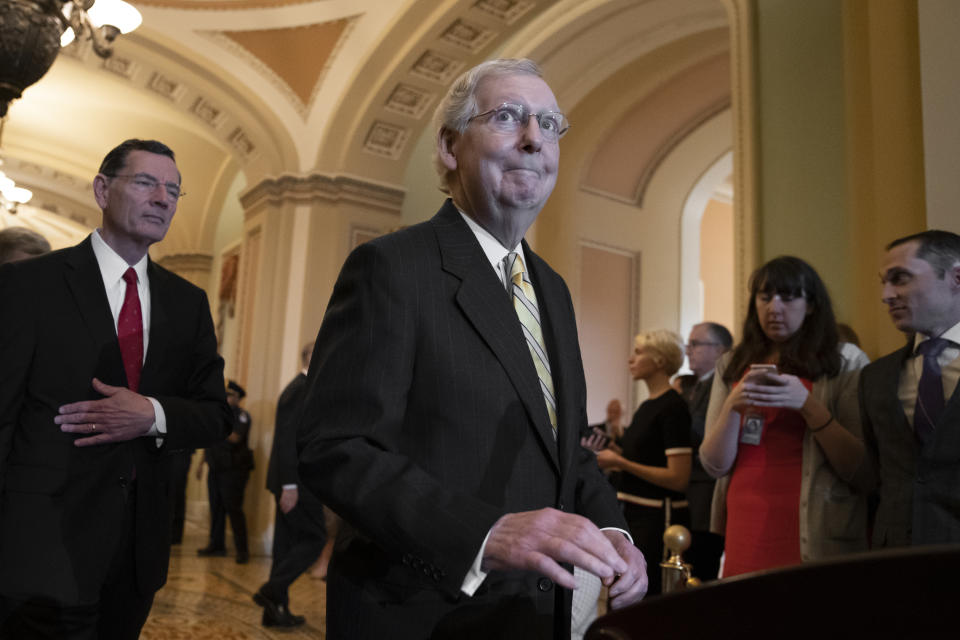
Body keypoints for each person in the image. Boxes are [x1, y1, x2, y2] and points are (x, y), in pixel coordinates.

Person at [297, 58, 647, 639]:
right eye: (508, 117)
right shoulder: (393, 266)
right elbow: (335, 449)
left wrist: (616, 534)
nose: (535, 139)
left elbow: (569, 450)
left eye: (550, 124)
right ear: (450, 146)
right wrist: (483, 534)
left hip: (534, 616)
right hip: (421, 611)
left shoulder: (552, 289)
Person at [0, 139, 231, 639]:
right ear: (103, 189)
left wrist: (151, 414)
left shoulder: (187, 303)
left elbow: (216, 414)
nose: (162, 198)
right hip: (40, 545)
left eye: (173, 190)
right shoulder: (29, 285)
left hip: (135, 554)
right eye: (146, 183)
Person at [699, 256, 870, 577]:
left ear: (812, 305)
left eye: (788, 297)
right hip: (745, 518)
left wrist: (807, 404)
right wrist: (733, 406)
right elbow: (714, 465)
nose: (774, 308)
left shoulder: (846, 361)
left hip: (815, 523)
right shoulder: (733, 363)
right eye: (765, 298)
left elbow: (860, 467)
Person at [858, 230, 960, 547]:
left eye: (900, 278)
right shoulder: (875, 377)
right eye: (884, 282)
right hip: (898, 562)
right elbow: (878, 476)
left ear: (956, 277)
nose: (887, 295)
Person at [595, 330, 692, 595]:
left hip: (658, 520)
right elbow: (639, 456)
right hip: (635, 514)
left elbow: (678, 477)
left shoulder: (673, 407)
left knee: (648, 594)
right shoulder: (648, 406)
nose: (631, 359)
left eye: (639, 353)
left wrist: (622, 463)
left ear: (660, 361)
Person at [254, 342, 327, 628]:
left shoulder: (301, 388)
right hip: (296, 481)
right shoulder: (300, 390)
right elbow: (287, 440)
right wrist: (289, 486)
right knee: (315, 538)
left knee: (284, 547)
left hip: (294, 480)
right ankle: (272, 590)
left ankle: (274, 612)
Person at [682, 321, 732, 580]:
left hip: (707, 492)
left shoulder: (723, 385)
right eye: (688, 344)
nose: (688, 350)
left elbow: (706, 434)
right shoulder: (693, 386)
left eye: (696, 344)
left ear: (721, 350)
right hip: (689, 492)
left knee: (702, 570)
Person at [198, 380, 253, 563]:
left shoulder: (242, 416)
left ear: (238, 399)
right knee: (216, 508)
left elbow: (236, 437)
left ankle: (242, 550)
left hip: (233, 470)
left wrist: (218, 425)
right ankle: (216, 545)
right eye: (227, 395)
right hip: (215, 466)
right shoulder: (220, 414)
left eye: (231, 396)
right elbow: (209, 441)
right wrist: (201, 464)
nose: (228, 398)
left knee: (233, 509)